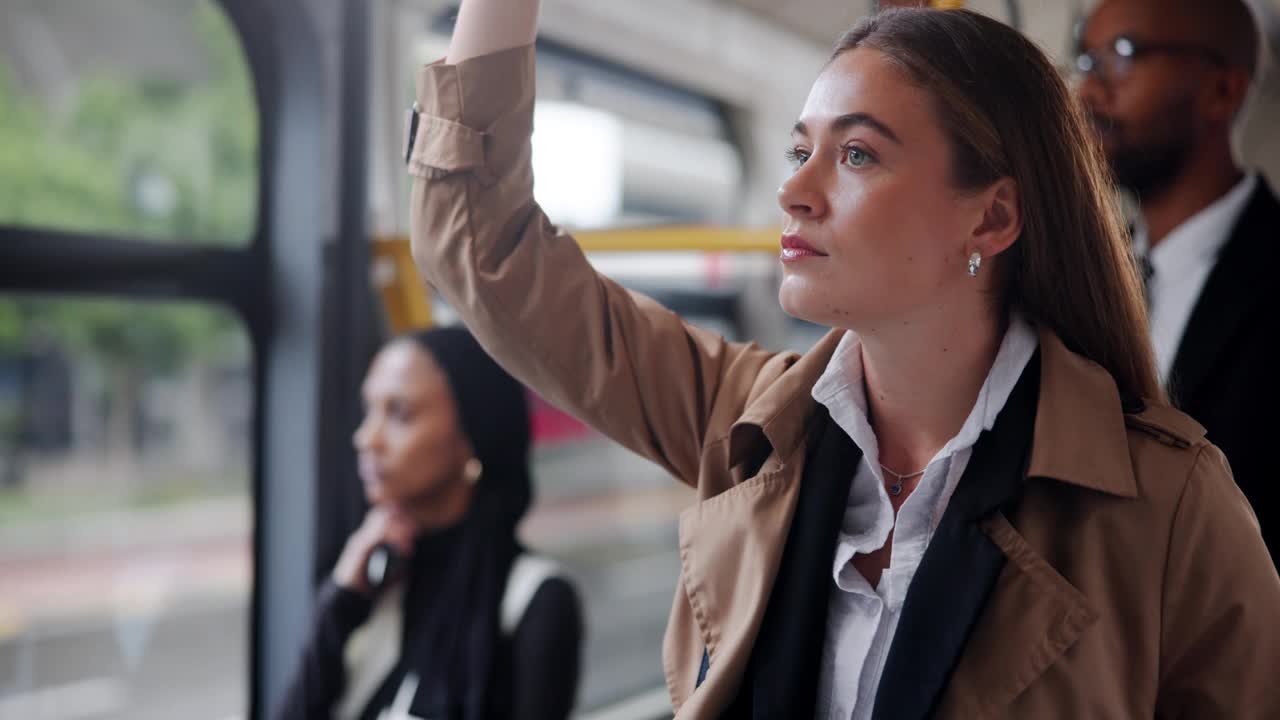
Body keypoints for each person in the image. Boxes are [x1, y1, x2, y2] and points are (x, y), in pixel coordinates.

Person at [407, 4, 1280, 718]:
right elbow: (483, 249)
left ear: (991, 219)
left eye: (855, 153)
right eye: (800, 149)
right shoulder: (752, 421)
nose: (795, 189)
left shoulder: (1171, 511)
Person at [276, 327, 582, 720]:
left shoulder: (536, 600)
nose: (366, 438)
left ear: (470, 437)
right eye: (368, 410)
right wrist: (338, 603)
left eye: (399, 414)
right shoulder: (369, 586)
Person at [1076, 0, 1279, 558]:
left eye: (1122, 56)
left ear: (1221, 91)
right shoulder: (1082, 270)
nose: (1088, 92)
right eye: (1085, 61)